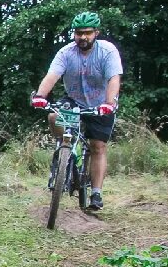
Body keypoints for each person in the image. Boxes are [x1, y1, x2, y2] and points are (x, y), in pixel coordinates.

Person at [31, 11, 123, 211]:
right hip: (73, 100)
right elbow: (52, 75)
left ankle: (96, 193)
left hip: (100, 103)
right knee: (54, 116)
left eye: (87, 33)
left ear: (96, 32)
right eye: (78, 33)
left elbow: (114, 79)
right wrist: (40, 96)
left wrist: (109, 103)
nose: (82, 37)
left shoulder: (107, 51)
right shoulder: (65, 52)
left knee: (98, 146)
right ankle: (64, 151)